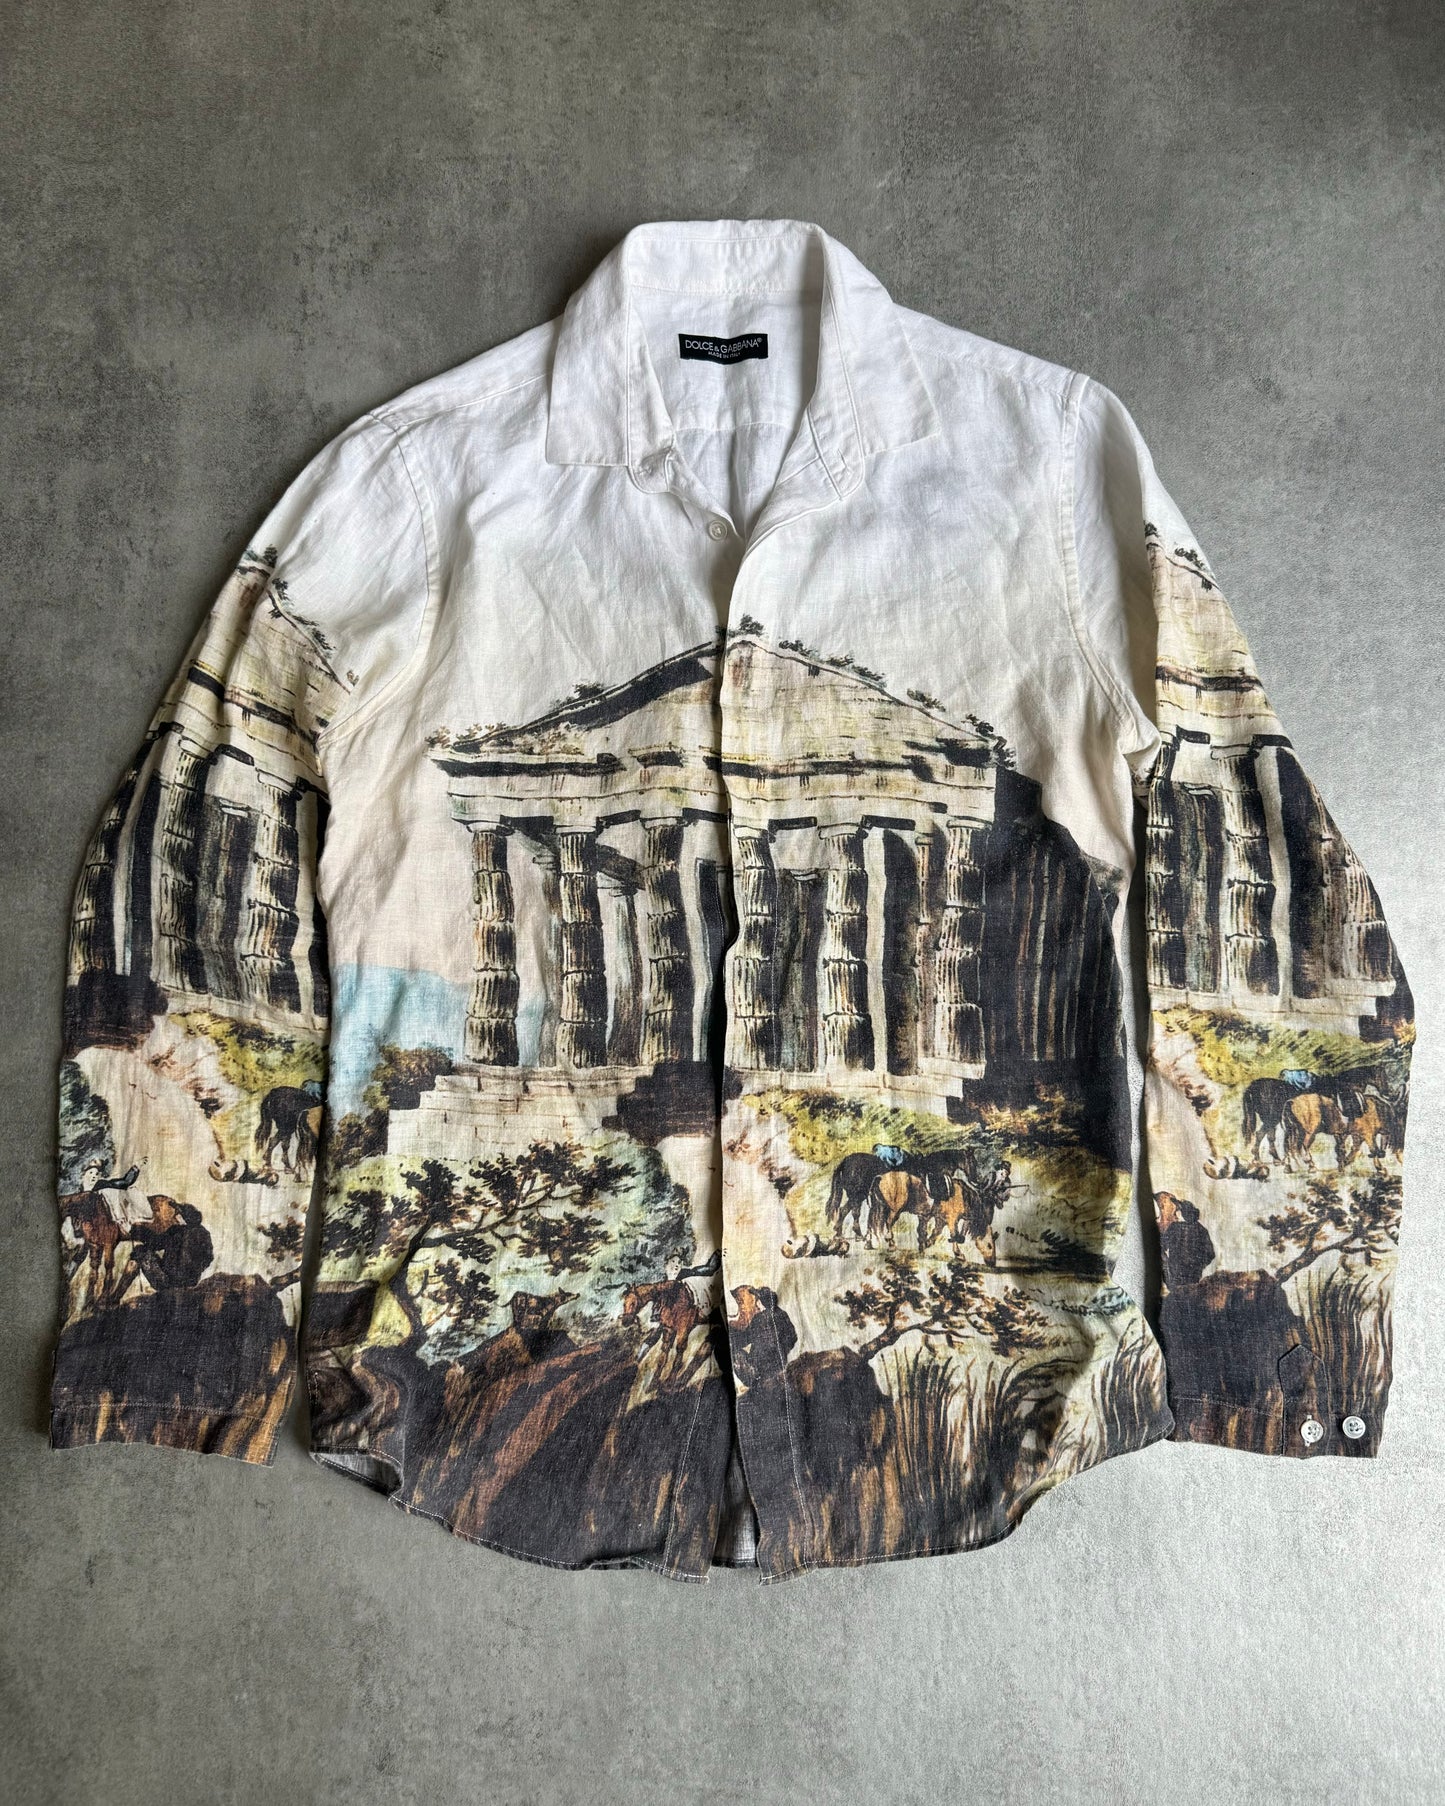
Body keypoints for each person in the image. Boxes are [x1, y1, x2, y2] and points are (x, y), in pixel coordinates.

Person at [112, 1194, 214, 1301]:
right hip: (191, 1282)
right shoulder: (204, 1234)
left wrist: (136, 1231)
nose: (175, 1217)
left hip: (167, 1281)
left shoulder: (176, 1230)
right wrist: (194, 1270)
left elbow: (154, 1243)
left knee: (139, 1251)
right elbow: (209, 1258)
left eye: (178, 1215)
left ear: (183, 1218)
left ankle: (115, 1298)